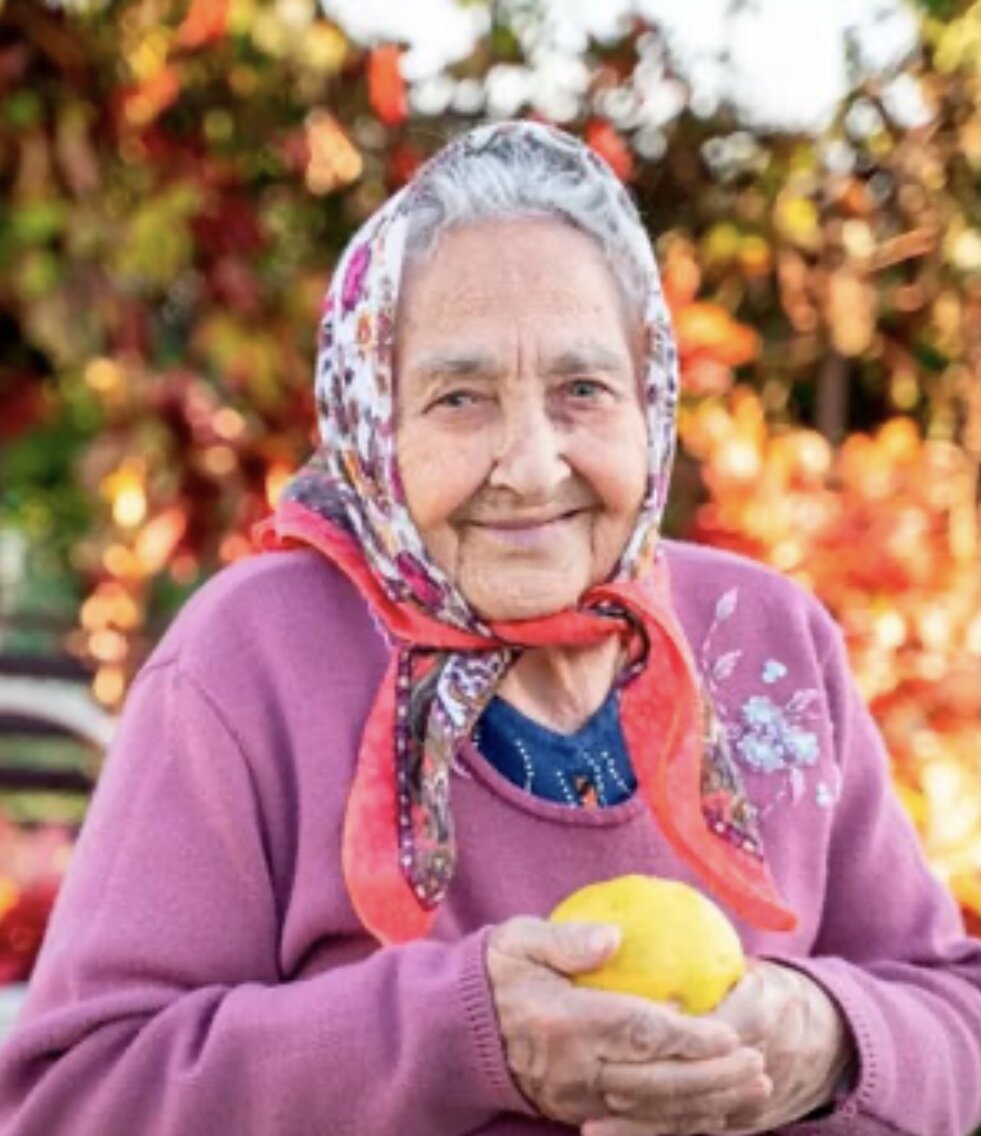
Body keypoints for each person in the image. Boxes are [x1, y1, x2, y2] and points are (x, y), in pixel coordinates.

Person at [0, 122, 977, 1136]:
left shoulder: (768, 635)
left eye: (582, 390)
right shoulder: (249, 659)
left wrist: (827, 1041)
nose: (531, 462)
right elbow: (76, 1095)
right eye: (461, 398)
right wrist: (466, 1037)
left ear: (650, 403)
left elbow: (958, 1014)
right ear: (374, 420)